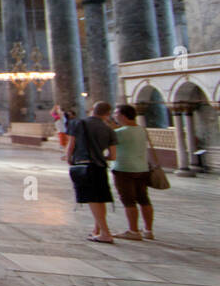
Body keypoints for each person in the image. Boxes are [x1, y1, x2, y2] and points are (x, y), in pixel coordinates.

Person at [65, 100, 117, 244]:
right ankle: (97, 230)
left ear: (92, 109)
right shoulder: (109, 129)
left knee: (93, 199)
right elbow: (113, 156)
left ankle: (106, 233)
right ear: (107, 114)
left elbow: (71, 145)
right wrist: (100, 156)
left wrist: (69, 158)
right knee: (100, 199)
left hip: (84, 165)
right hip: (100, 166)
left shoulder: (78, 123)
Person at [111, 104, 155, 240]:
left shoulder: (121, 132)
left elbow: (108, 146)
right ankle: (148, 230)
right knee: (144, 199)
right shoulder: (141, 130)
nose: (114, 116)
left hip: (124, 169)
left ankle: (133, 231)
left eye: (116, 113)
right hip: (141, 168)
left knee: (129, 201)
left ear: (123, 115)